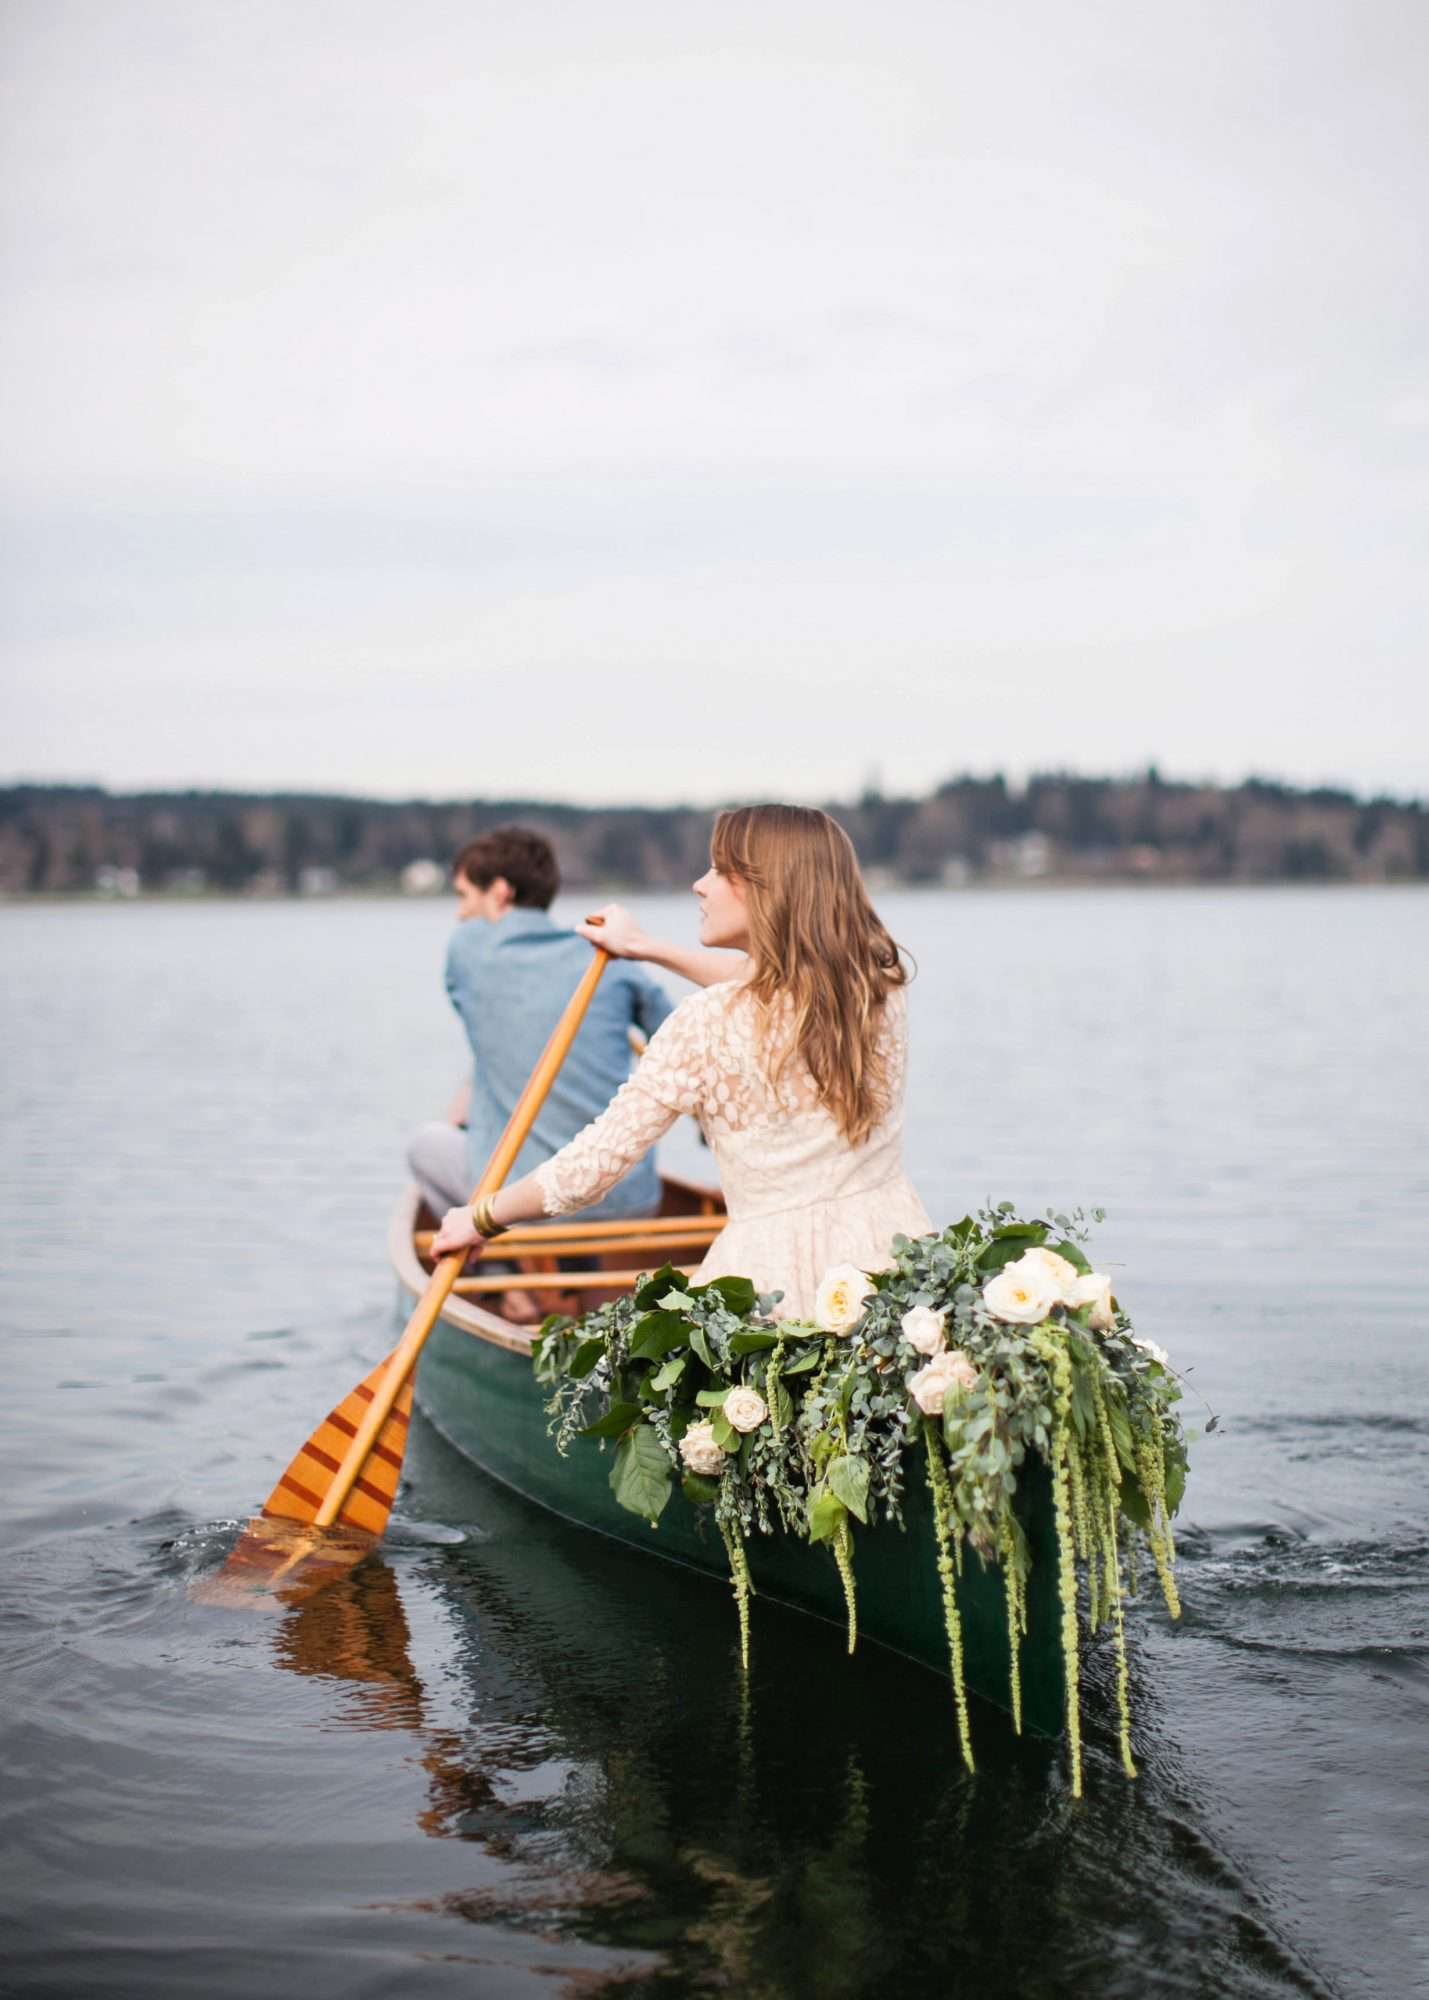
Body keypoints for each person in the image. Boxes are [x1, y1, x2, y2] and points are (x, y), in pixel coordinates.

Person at [430, 805, 932, 1319]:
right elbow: (772, 983)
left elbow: (591, 1168)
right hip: (892, 1259)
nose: (699, 885)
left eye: (719, 871)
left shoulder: (703, 1024)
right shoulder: (877, 986)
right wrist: (644, 948)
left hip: (773, 1282)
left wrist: (482, 1217)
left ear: (765, 888)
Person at [407, 826, 679, 1227]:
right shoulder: (605, 957)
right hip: (631, 1201)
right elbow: (676, 1034)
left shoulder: (468, 947)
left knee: (425, 1146)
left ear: (500, 892)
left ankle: (509, 1284)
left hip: (527, 1207)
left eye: (465, 896)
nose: (460, 912)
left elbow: (487, 1030)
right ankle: (559, 1286)